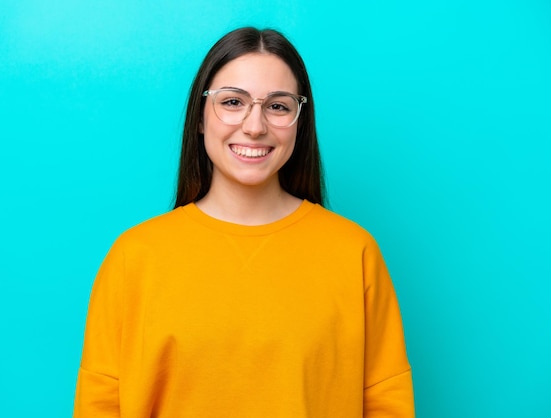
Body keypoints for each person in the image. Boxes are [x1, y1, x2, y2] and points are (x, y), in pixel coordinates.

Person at [73, 27, 414, 417]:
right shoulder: (134, 257)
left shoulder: (354, 252)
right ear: (200, 118)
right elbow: (99, 404)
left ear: (299, 124)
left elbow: (387, 404)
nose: (255, 126)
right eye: (233, 101)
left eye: (278, 106)